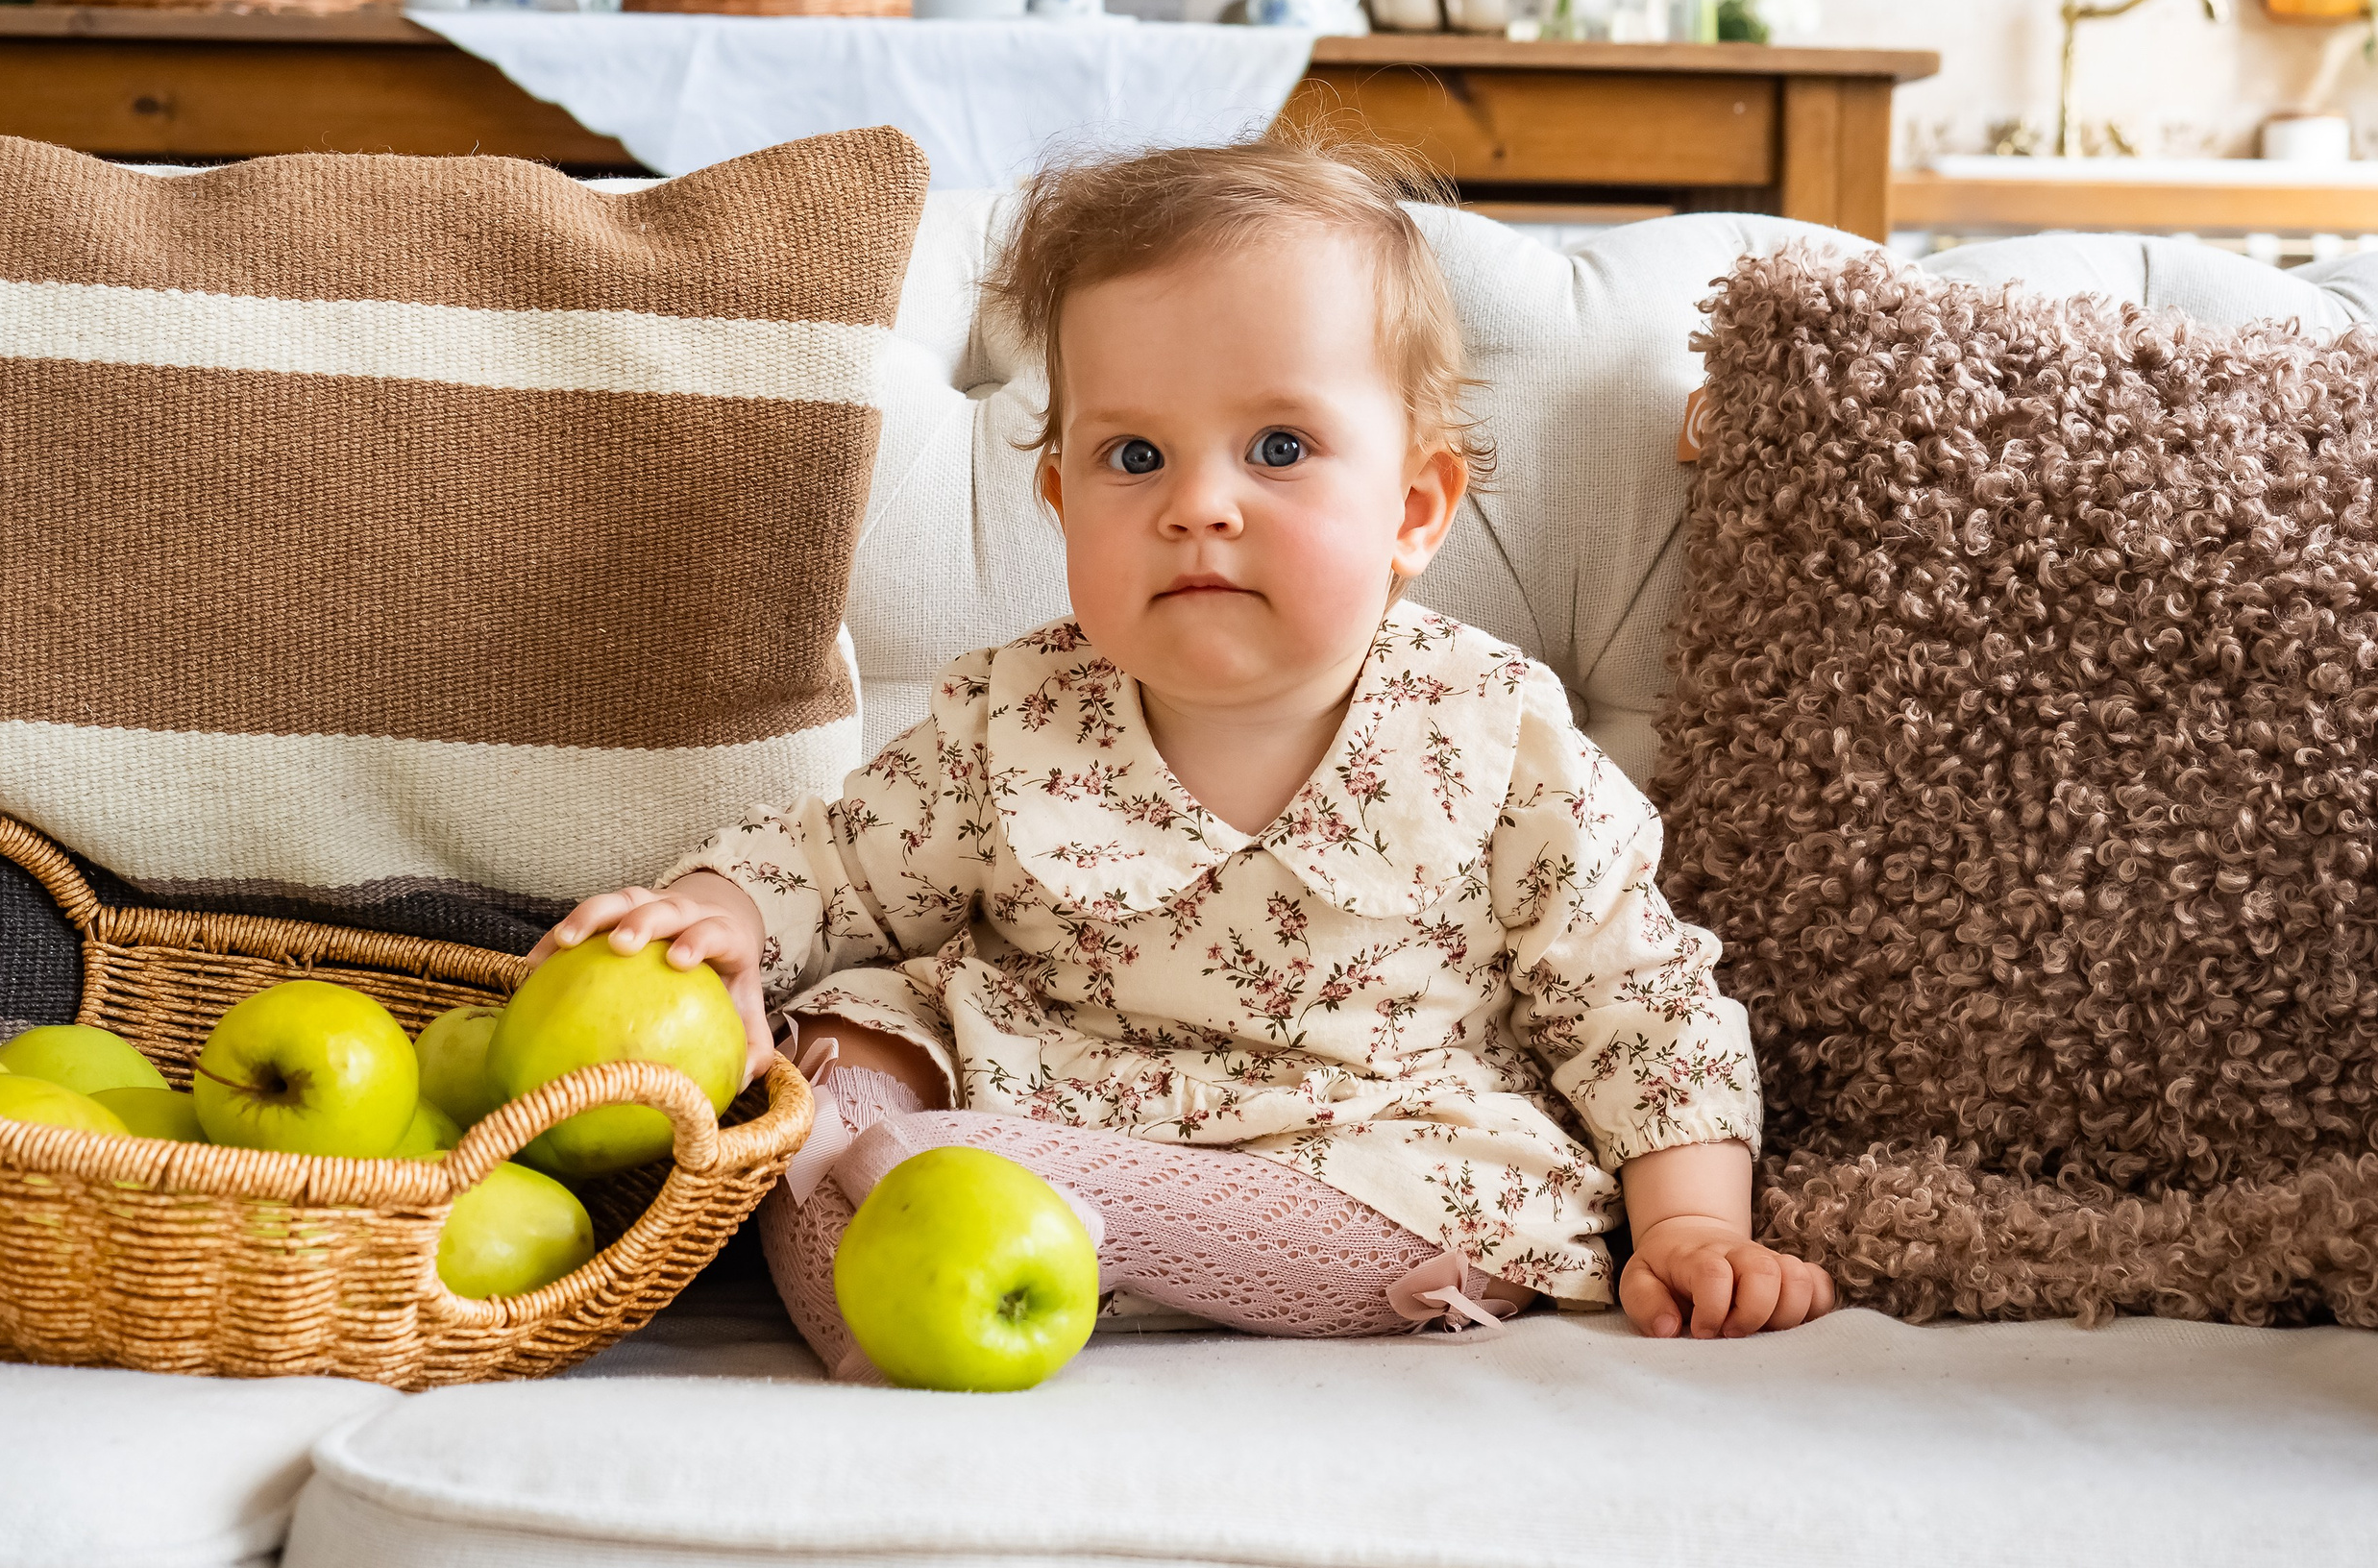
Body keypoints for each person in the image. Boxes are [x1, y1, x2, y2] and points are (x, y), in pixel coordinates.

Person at [534, 135, 1834, 1373]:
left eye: (1279, 449)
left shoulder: (1497, 737)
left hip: (1349, 1148)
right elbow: (835, 864)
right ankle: (889, 1288)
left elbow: (1642, 1010)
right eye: (1134, 455)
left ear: (1416, 508)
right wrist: (716, 918)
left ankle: (1011, 1210)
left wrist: (1692, 1228)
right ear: (1061, 503)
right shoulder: (1018, 719)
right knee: (836, 1056)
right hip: (1034, 1082)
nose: (1196, 503)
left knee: (1469, 1207)